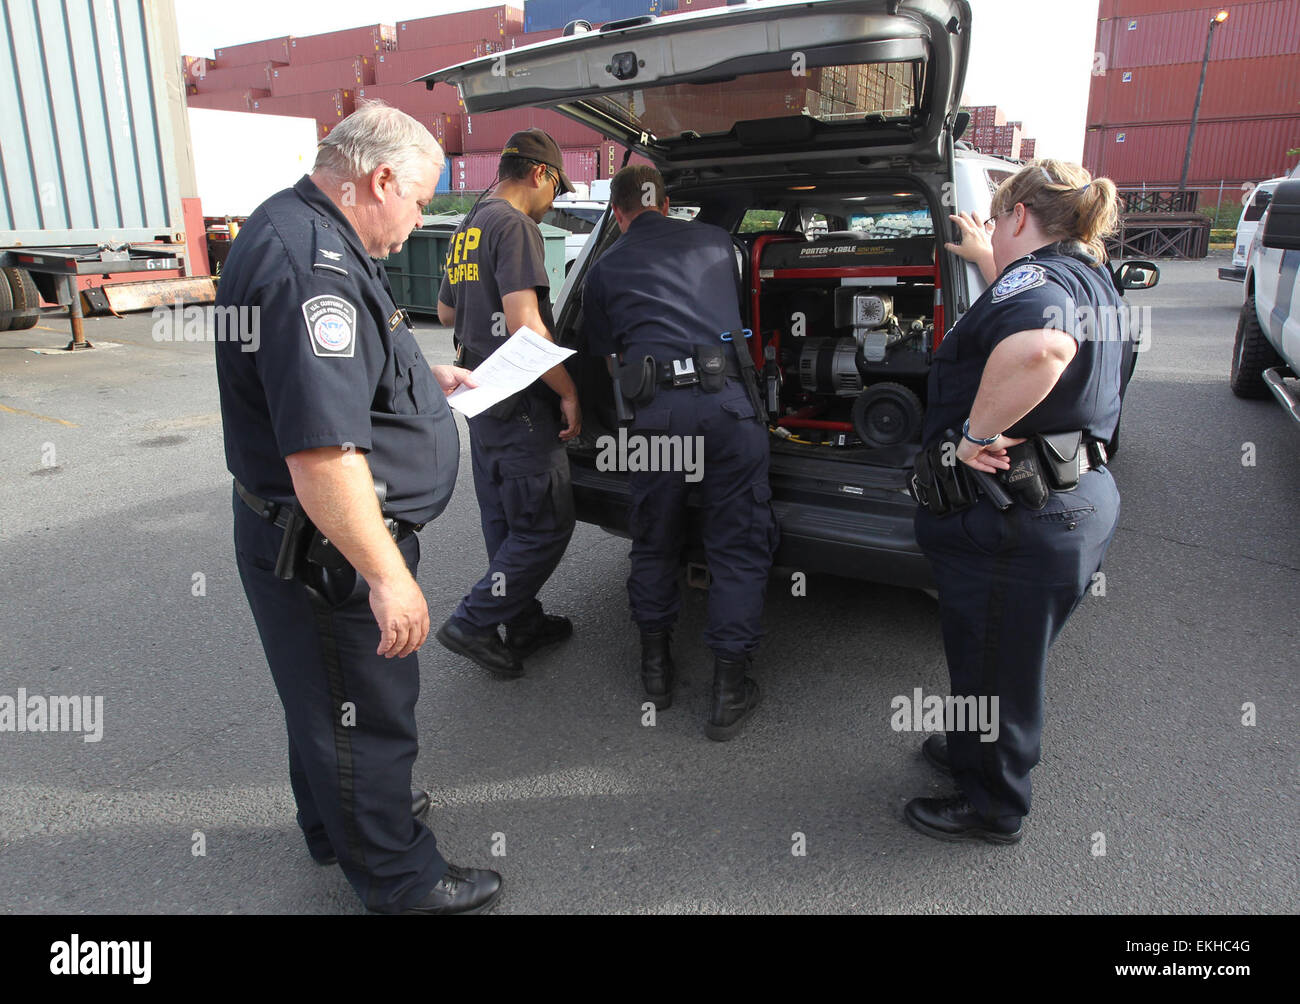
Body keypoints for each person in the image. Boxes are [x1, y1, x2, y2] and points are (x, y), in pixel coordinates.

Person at [215, 102, 502, 914]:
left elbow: (341, 376)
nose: (418, 223)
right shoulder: (314, 267)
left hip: (297, 535)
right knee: (366, 717)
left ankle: (333, 824)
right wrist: (386, 576)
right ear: (378, 180)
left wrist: (420, 384)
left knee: (320, 698)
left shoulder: (297, 223)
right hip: (332, 547)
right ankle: (402, 879)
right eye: (418, 202)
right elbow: (322, 455)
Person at [906, 159, 1126, 843]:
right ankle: (972, 750)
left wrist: (973, 434)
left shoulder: (1039, 281)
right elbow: (1034, 305)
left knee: (999, 665)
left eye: (998, 223)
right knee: (996, 654)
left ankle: (993, 807)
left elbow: (1040, 350)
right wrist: (983, 260)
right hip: (1071, 498)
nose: (994, 235)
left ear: (1020, 217)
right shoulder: (1087, 275)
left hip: (1019, 517)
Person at [582, 165, 779, 740]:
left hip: (658, 419)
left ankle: (656, 674)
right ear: (666, 204)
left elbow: (609, 360)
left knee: (655, 540)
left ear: (617, 214)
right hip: (728, 410)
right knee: (737, 547)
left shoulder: (605, 268)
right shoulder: (720, 243)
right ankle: (727, 692)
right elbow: (738, 318)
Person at [435, 129, 580, 679]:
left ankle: (520, 622)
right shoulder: (515, 227)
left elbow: (446, 313)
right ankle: (472, 623)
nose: (554, 202)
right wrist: (567, 391)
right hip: (519, 402)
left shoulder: (468, 225)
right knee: (544, 524)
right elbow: (525, 326)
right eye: (557, 190)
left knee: (504, 519)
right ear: (540, 174)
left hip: (480, 400)